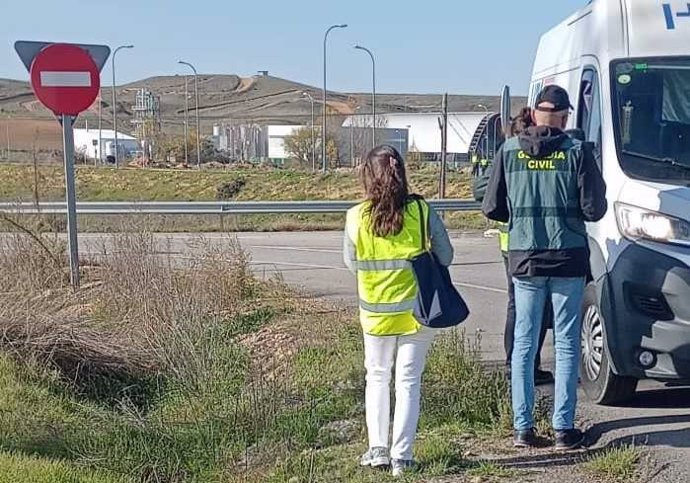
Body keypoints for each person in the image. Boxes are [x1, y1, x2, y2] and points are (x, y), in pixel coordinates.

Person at [482, 85, 607, 450]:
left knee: (524, 342)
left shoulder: (508, 151)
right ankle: (564, 429)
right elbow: (593, 210)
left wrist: (521, 216)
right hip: (567, 258)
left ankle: (523, 428)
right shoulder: (578, 152)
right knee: (567, 343)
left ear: (535, 114)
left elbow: (491, 207)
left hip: (525, 259)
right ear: (566, 117)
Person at [343, 145, 453, 477]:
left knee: (376, 376)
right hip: (417, 311)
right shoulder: (420, 210)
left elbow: (351, 264)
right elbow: (446, 256)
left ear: (367, 174)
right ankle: (402, 457)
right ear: (401, 172)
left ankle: (377, 449)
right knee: (408, 381)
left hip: (374, 312)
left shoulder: (355, 215)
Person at [473, 107, 554, 386]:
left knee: (516, 304)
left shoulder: (505, 154)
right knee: (534, 306)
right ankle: (525, 363)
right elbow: (482, 192)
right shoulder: (515, 155)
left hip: (510, 241)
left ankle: (517, 363)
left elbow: (481, 191)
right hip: (524, 240)